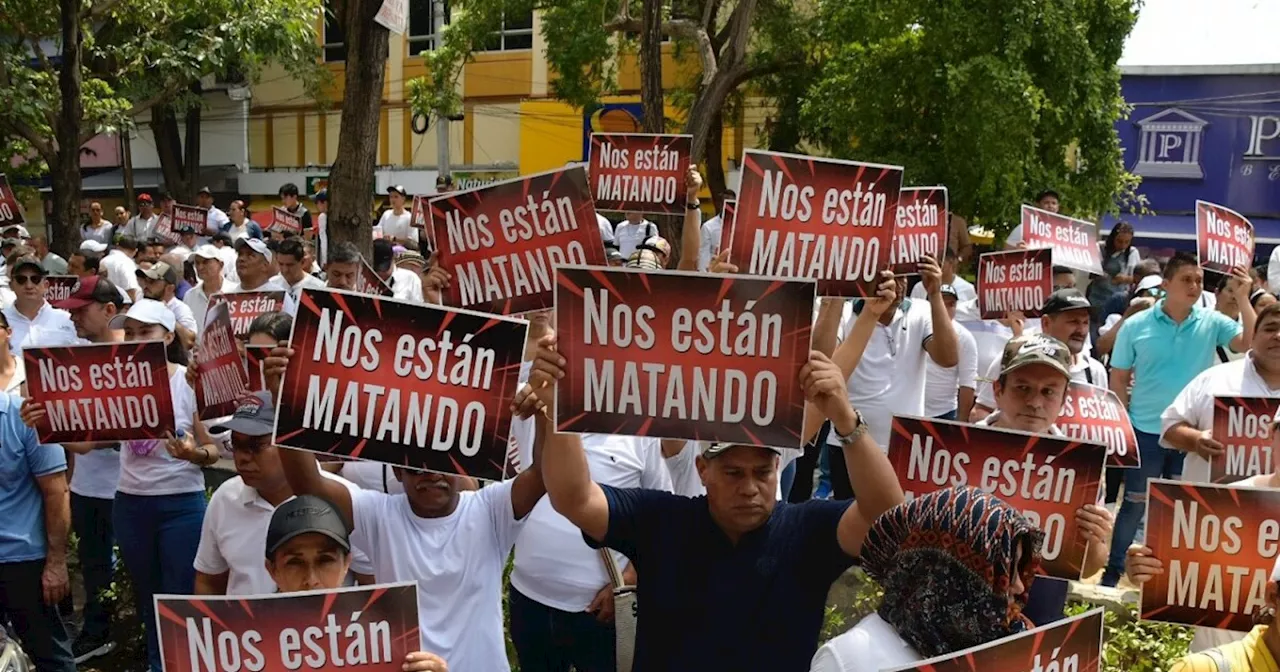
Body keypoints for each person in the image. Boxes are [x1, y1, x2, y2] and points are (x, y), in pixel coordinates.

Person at [523, 333, 904, 669]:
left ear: (777, 467)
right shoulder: (662, 522)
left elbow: (887, 518)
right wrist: (558, 408)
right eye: (733, 473)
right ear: (703, 470)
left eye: (762, 473)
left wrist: (846, 421)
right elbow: (574, 497)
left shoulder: (808, 531)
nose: (750, 488)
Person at [265, 350, 549, 671]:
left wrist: (545, 408)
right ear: (398, 473)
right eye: (417, 467)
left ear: (463, 466)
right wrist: (283, 400)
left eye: (444, 461)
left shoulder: (490, 510)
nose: (432, 474)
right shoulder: (379, 515)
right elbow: (308, 483)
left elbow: (542, 473)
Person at [1101, 253, 1255, 587]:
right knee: (1134, 504)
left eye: (1199, 280)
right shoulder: (1135, 326)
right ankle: (1113, 574)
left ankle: (1169, 579)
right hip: (1143, 431)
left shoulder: (1212, 322)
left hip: (1190, 435)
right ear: (1166, 284)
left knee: (1182, 511)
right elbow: (1118, 377)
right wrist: (1122, 424)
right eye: (1187, 279)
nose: (1195, 286)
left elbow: (1249, 342)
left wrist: (1243, 296)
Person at [810, 486, 1042, 671]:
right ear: (954, 577)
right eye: (1004, 572)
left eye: (1019, 568)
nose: (1019, 587)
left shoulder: (1016, 643)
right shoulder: (850, 658)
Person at [969, 334, 1113, 622]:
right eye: (1023, 388)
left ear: (1063, 400)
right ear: (998, 390)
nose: (1035, 402)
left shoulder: (1082, 467)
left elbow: (1087, 568)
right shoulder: (957, 450)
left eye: (1049, 392)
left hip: (1040, 609)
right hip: (962, 602)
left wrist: (1097, 538)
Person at [508, 427, 673, 671]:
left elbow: (663, 517)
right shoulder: (535, 419)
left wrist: (631, 577)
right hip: (529, 599)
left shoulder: (640, 436)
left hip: (600, 611)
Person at [193, 392, 374, 595]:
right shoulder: (224, 500)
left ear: (290, 441)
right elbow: (209, 582)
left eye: (256, 446)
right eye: (236, 445)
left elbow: (373, 588)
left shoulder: (345, 501)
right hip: (249, 627)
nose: (242, 458)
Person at [263, 495, 450, 671]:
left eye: (325, 560)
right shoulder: (244, 644)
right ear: (272, 570)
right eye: (295, 563)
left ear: (347, 563)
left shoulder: (388, 638)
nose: (311, 580)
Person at [821, 259, 958, 494]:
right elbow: (821, 360)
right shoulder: (843, 312)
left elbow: (948, 358)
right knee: (849, 523)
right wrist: (836, 294)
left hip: (905, 448)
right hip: (848, 444)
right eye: (887, 276)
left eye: (903, 276)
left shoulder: (921, 311)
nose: (896, 285)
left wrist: (934, 294)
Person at [50, 277, 125, 663]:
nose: (76, 317)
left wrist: (85, 439)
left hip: (129, 488)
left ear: (109, 310)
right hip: (86, 486)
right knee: (95, 567)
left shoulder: (136, 358)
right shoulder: (74, 360)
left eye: (83, 309)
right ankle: (97, 632)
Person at [0, 386, 74, 672]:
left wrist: (56, 562)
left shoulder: (27, 417)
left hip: (23, 562)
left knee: (50, 656)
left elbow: (56, 491)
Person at [973, 289, 1107, 420]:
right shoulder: (1012, 359)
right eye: (1073, 322)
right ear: (1046, 323)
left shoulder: (1095, 371)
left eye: (1085, 323)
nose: (1081, 330)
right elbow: (979, 412)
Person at [921, 284, 978, 421]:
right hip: (909, 410)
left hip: (944, 413)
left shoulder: (965, 337)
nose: (945, 309)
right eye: (940, 302)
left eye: (951, 304)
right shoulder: (914, 327)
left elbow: (968, 383)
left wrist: (962, 423)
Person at [3, 254, 76, 355]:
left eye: (35, 279)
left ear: (46, 285)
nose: (29, 285)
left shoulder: (67, 320)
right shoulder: (2, 322)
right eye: (21, 279)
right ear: (11, 286)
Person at [137, 261, 198, 347]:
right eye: (146, 280)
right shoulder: (140, 302)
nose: (146, 285)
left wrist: (165, 313)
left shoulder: (180, 309)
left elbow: (189, 342)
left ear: (169, 288)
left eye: (152, 281)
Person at [1087, 221, 1141, 316]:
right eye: (1119, 241)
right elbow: (1092, 271)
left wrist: (1125, 279)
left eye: (1127, 242)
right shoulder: (1100, 247)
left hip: (1118, 302)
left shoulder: (1132, 253)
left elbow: (1137, 278)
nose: (1123, 245)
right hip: (1097, 298)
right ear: (1113, 238)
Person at [910, 248, 975, 304]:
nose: (936, 266)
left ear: (951, 262)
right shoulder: (918, 287)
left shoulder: (968, 289)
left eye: (940, 262)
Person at [696, 190, 736, 271]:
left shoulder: (742, 226)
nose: (728, 207)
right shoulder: (708, 227)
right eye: (725, 203)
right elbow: (703, 256)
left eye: (731, 204)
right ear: (719, 204)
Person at [102, 235, 142, 303]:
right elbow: (131, 289)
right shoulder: (126, 263)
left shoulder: (103, 260)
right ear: (135, 251)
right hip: (122, 306)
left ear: (117, 246)